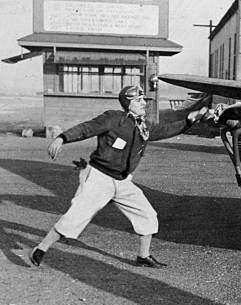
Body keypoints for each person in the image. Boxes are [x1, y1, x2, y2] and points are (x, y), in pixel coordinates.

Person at [29, 85, 208, 268]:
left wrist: (188, 121)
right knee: (76, 216)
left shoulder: (143, 125)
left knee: (147, 215)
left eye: (143, 100)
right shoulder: (113, 118)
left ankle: (143, 256)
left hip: (122, 181)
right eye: (138, 101)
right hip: (99, 177)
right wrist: (62, 138)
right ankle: (40, 249)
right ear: (127, 103)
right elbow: (87, 128)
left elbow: (164, 131)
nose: (143, 104)